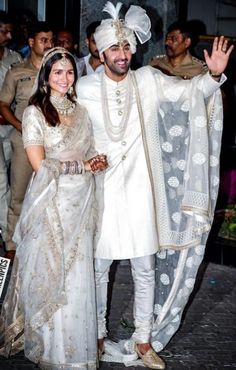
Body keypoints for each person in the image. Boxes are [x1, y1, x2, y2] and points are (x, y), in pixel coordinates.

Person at [76, 2, 233, 369]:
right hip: (100, 191)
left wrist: (212, 78)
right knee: (99, 269)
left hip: (141, 193)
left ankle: (144, 341)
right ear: (99, 50)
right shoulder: (83, 88)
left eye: (127, 46)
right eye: (114, 48)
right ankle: (97, 335)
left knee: (144, 269)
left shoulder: (147, 79)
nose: (122, 54)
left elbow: (187, 94)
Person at [0, 46, 108, 369]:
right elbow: (39, 164)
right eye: (57, 72)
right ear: (46, 76)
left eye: (70, 71)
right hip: (52, 201)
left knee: (77, 272)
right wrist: (83, 168)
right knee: (53, 272)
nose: (64, 77)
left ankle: (78, 350)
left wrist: (96, 163)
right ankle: (54, 349)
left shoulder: (81, 111)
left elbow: (87, 149)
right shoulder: (35, 111)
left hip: (81, 202)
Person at [0, 21, 54, 262]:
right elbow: (3, 104)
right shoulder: (16, 71)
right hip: (23, 140)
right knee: (19, 192)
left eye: (51, 40)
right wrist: (19, 125)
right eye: (44, 40)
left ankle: (44, 240)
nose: (49, 44)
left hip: (51, 140)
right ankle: (11, 243)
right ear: (31, 42)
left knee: (49, 191)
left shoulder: (58, 68)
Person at [0, 11, 22, 245]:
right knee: (1, 185)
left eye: (10, 31)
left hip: (12, 129)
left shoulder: (14, 58)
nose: (8, 36)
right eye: (3, 31)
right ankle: (10, 240)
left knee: (14, 185)